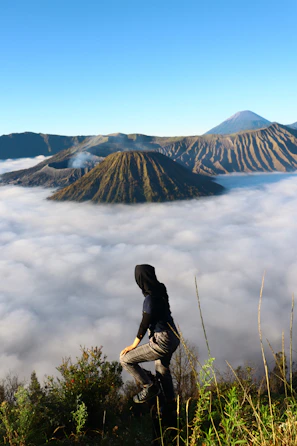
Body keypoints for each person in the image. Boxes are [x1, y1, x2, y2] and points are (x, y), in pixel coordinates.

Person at [120, 264, 180, 404]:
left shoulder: (150, 299)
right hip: (173, 336)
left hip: (162, 340)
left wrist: (133, 345)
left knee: (125, 359)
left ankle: (149, 387)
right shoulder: (161, 289)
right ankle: (170, 402)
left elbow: (144, 323)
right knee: (162, 369)